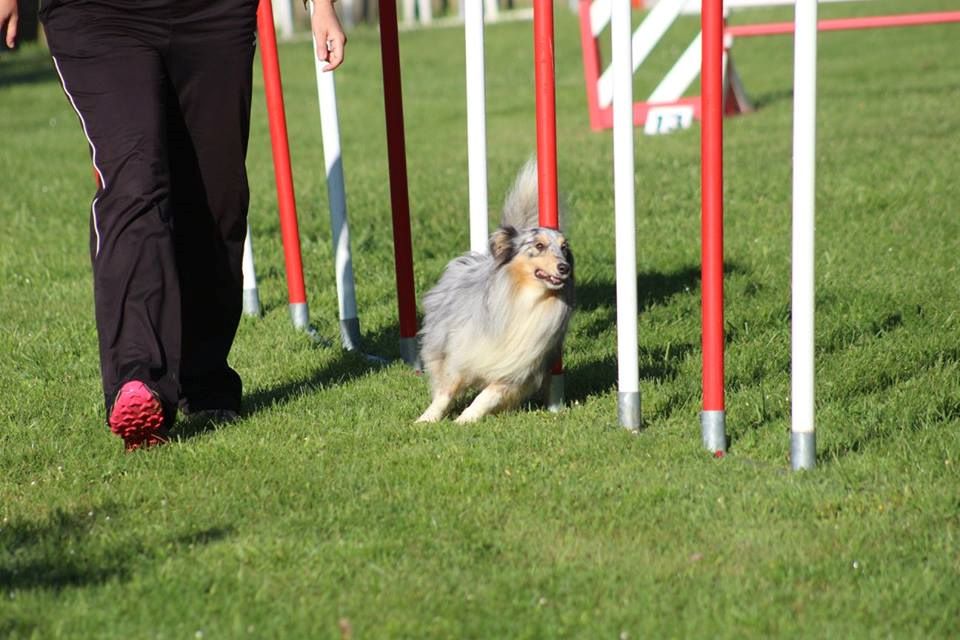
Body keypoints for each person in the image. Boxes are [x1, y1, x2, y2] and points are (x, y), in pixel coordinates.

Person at [0, 0, 346, 450]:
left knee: (217, 195)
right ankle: (137, 378)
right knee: (134, 182)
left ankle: (202, 381)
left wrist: (321, 6)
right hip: (97, 14)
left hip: (211, 13)